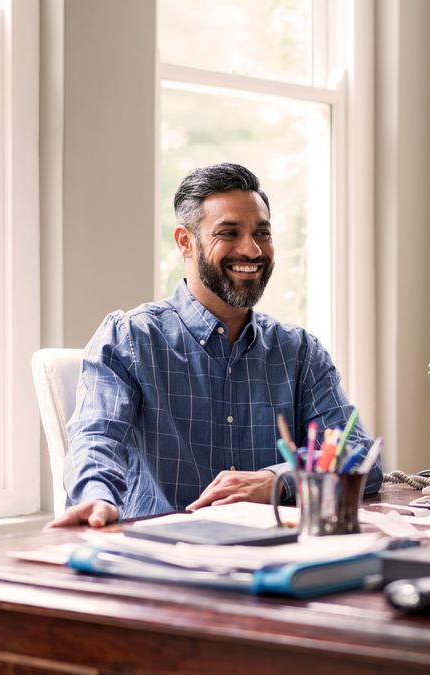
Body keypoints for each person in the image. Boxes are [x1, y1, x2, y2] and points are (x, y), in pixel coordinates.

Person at [48, 162, 381, 528]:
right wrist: (96, 497)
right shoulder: (130, 338)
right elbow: (96, 437)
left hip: (274, 557)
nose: (252, 250)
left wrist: (277, 480)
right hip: (165, 560)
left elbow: (360, 457)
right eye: (229, 232)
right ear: (185, 242)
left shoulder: (299, 352)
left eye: (262, 233)